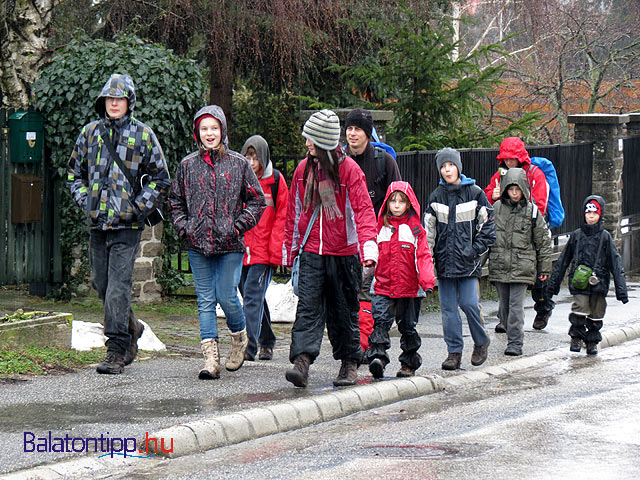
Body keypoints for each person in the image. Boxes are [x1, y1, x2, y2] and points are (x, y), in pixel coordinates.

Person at [68, 73, 170, 374]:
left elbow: (160, 178)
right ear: (103, 102)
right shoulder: (89, 133)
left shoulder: (143, 135)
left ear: (129, 102)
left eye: (120, 98)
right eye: (110, 99)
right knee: (101, 283)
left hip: (127, 226)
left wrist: (138, 207)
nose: (114, 103)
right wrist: (86, 201)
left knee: (118, 289)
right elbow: (75, 174)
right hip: (98, 224)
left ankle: (115, 349)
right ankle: (132, 327)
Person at [168, 105, 265, 379]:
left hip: (229, 244)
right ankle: (210, 358)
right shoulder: (187, 165)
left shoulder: (239, 163)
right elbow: (175, 202)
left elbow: (257, 201)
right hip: (197, 244)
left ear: (222, 130)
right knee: (205, 300)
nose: (209, 134)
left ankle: (239, 337)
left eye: (214, 128)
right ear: (197, 133)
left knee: (226, 295)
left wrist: (236, 226)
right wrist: (184, 228)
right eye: (204, 129)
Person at [283, 109, 378, 388]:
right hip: (312, 251)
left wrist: (368, 251)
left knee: (344, 310)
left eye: (310, 138)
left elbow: (363, 212)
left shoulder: (350, 170)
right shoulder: (303, 170)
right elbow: (294, 211)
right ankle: (301, 362)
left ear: (323, 141)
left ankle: (349, 364)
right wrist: (290, 251)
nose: (306, 144)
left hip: (344, 254)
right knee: (308, 309)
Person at [424, 147, 495, 370]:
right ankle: (454, 352)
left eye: (451, 165)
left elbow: (489, 226)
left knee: (469, 304)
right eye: (443, 166)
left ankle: (481, 341)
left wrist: (474, 250)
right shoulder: (436, 197)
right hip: (444, 264)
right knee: (448, 309)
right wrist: (429, 260)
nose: (447, 170)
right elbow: (429, 232)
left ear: (458, 167)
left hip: (468, 262)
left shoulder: (475, 194)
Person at [343, 108, 402, 356]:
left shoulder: (383, 161)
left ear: (368, 133)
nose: (352, 134)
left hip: (377, 238)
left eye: (357, 129)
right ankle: (352, 342)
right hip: (344, 239)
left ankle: (367, 345)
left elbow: (398, 197)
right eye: (349, 129)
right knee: (348, 293)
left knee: (369, 292)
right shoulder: (338, 161)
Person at [484, 137, 554, 332]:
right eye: (505, 158)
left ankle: (543, 308)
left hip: (530, 228)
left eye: (511, 158)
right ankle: (504, 320)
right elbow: (487, 197)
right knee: (506, 279)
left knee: (536, 280)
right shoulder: (499, 175)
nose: (508, 162)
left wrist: (523, 204)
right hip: (506, 230)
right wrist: (494, 196)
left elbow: (541, 203)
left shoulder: (535, 175)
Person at [367, 181, 436, 379]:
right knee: (380, 321)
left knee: (407, 326)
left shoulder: (415, 230)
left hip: (410, 288)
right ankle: (378, 358)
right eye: (393, 201)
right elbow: (371, 249)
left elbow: (423, 256)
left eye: (401, 202)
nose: (396, 205)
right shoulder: (380, 227)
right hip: (383, 286)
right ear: (387, 203)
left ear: (409, 204)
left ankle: (409, 362)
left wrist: (427, 281)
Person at [548, 195, 628, 355]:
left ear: (600, 215)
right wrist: (553, 285)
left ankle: (591, 341)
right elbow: (563, 261)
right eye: (588, 213)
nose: (591, 216)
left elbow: (616, 263)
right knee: (580, 307)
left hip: (599, 282)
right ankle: (576, 338)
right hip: (579, 282)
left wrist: (621, 290)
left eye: (594, 213)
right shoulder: (577, 235)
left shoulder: (605, 237)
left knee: (597, 312)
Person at [488, 168, 552, 356]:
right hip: (500, 265)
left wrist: (544, 268)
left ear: (524, 189)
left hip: (522, 267)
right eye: (511, 189)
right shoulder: (496, 209)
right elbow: (487, 237)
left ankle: (515, 342)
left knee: (516, 307)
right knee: (505, 308)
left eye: (518, 190)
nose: (514, 194)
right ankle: (511, 335)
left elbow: (542, 241)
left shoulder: (532, 212)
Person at [238, 135, 288, 361]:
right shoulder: (239, 180)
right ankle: (267, 340)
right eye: (247, 156)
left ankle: (249, 347)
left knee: (252, 295)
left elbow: (282, 219)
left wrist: (275, 253)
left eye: (255, 157)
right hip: (242, 251)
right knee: (252, 296)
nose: (251, 162)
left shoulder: (276, 181)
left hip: (264, 253)